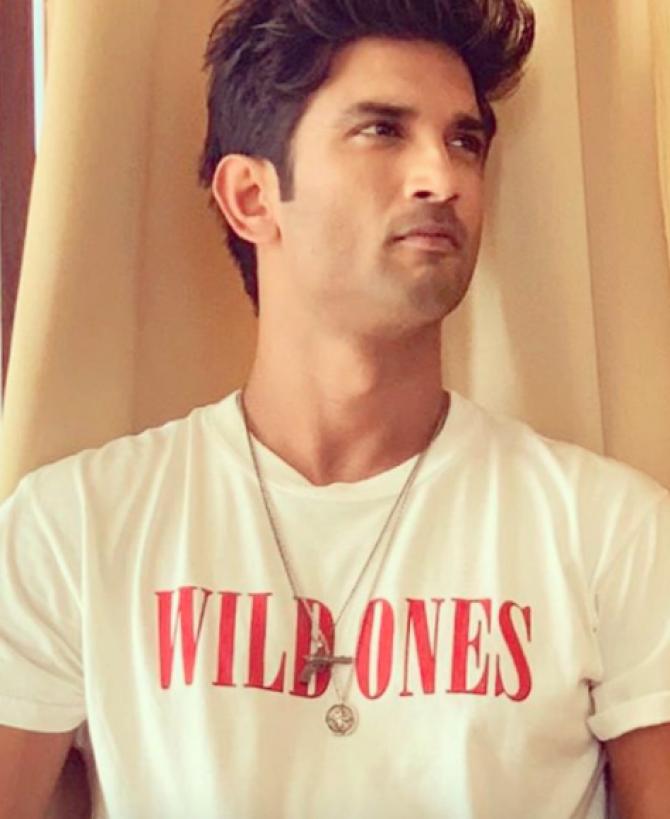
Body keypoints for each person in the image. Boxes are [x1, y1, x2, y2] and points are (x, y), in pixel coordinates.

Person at [1, 0, 669, 816]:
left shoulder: (609, 531)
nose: (443, 178)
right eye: (382, 130)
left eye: (464, 141)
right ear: (252, 196)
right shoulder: (76, 527)